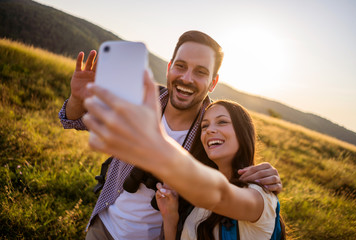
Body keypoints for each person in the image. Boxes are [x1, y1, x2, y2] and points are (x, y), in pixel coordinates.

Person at [59, 30, 282, 239]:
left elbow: (227, 184)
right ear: (169, 68)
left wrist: (263, 176)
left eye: (201, 72)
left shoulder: (211, 132)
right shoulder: (141, 99)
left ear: (213, 82)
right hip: (104, 226)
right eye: (181, 66)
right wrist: (78, 98)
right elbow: (74, 120)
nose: (186, 78)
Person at [154, 99, 286, 239]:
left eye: (222, 122)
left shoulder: (260, 194)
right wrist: (170, 218)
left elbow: (221, 197)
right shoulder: (197, 208)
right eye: (204, 126)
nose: (209, 130)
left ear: (242, 131)